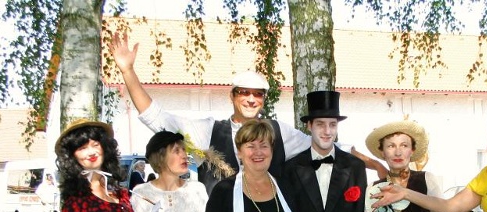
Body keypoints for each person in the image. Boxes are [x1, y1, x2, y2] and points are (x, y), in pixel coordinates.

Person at [109, 32, 388, 193]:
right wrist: (128, 71)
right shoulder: (208, 131)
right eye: (244, 92)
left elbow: (328, 147)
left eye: (258, 94)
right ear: (232, 95)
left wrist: (374, 164)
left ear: (264, 99)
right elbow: (156, 117)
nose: (251, 99)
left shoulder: (279, 132)